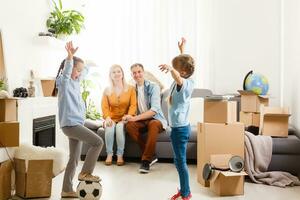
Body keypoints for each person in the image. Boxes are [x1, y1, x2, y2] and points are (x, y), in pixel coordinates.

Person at [55, 41, 104, 198]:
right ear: (68, 69)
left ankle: (66, 189)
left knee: (74, 159)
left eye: (81, 71)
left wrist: (87, 63)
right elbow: (68, 72)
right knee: (98, 142)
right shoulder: (64, 82)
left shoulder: (76, 82)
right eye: (78, 70)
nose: (80, 73)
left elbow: (83, 72)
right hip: (70, 124)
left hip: (75, 124)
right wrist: (70, 58)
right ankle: (86, 173)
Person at [158, 37, 194, 200]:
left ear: (183, 72)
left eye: (176, 68)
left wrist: (170, 68)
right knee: (179, 161)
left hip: (180, 129)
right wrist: (182, 50)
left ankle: (186, 193)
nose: (173, 70)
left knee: (180, 162)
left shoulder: (184, 84)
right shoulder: (187, 79)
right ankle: (184, 188)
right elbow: (184, 68)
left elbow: (179, 77)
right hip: (178, 127)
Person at [125, 63, 167, 174]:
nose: (137, 75)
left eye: (139, 72)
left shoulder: (153, 86)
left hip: (155, 119)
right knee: (129, 126)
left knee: (153, 124)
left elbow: (154, 110)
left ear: (143, 72)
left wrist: (135, 118)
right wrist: (129, 117)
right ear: (132, 75)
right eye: (134, 73)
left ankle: (146, 161)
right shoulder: (132, 90)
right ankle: (151, 155)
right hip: (141, 121)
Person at [101, 64, 137, 166]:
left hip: (125, 118)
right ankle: (109, 155)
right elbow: (105, 107)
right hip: (111, 118)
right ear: (110, 75)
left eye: (118, 71)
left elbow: (133, 105)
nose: (116, 74)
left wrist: (128, 116)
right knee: (110, 127)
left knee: (120, 128)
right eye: (114, 72)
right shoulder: (107, 90)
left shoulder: (131, 89)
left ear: (122, 74)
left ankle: (120, 155)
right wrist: (107, 118)